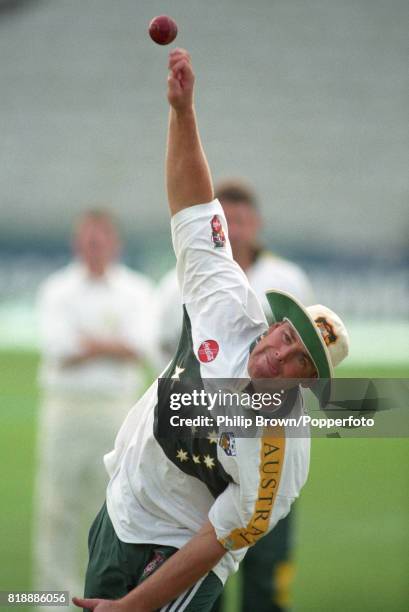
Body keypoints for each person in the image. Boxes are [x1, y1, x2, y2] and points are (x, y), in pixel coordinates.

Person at [73, 48, 349, 612]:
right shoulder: (229, 304)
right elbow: (195, 207)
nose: (279, 354)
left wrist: (133, 608)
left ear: (306, 384)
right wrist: (183, 110)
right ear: (275, 325)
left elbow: (209, 544)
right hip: (122, 504)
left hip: (180, 548)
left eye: (300, 362)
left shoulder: (279, 457)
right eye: (287, 335)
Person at [154, 179, 314, 612]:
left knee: (264, 571)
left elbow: (312, 362)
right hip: (204, 451)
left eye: (243, 220)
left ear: (256, 224)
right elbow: (163, 351)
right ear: (218, 225)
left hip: (266, 446)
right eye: (229, 220)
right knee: (206, 573)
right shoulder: (182, 281)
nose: (237, 230)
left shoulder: (287, 279)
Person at [33, 209, 154, 603]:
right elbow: (60, 349)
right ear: (77, 242)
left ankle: (110, 599)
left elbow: (140, 347)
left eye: (101, 239)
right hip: (67, 407)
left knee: (115, 507)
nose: (95, 246)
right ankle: (50, 603)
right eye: (88, 238)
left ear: (115, 243)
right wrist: (113, 344)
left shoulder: (136, 291)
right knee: (57, 506)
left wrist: (90, 343)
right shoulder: (57, 289)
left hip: (117, 409)